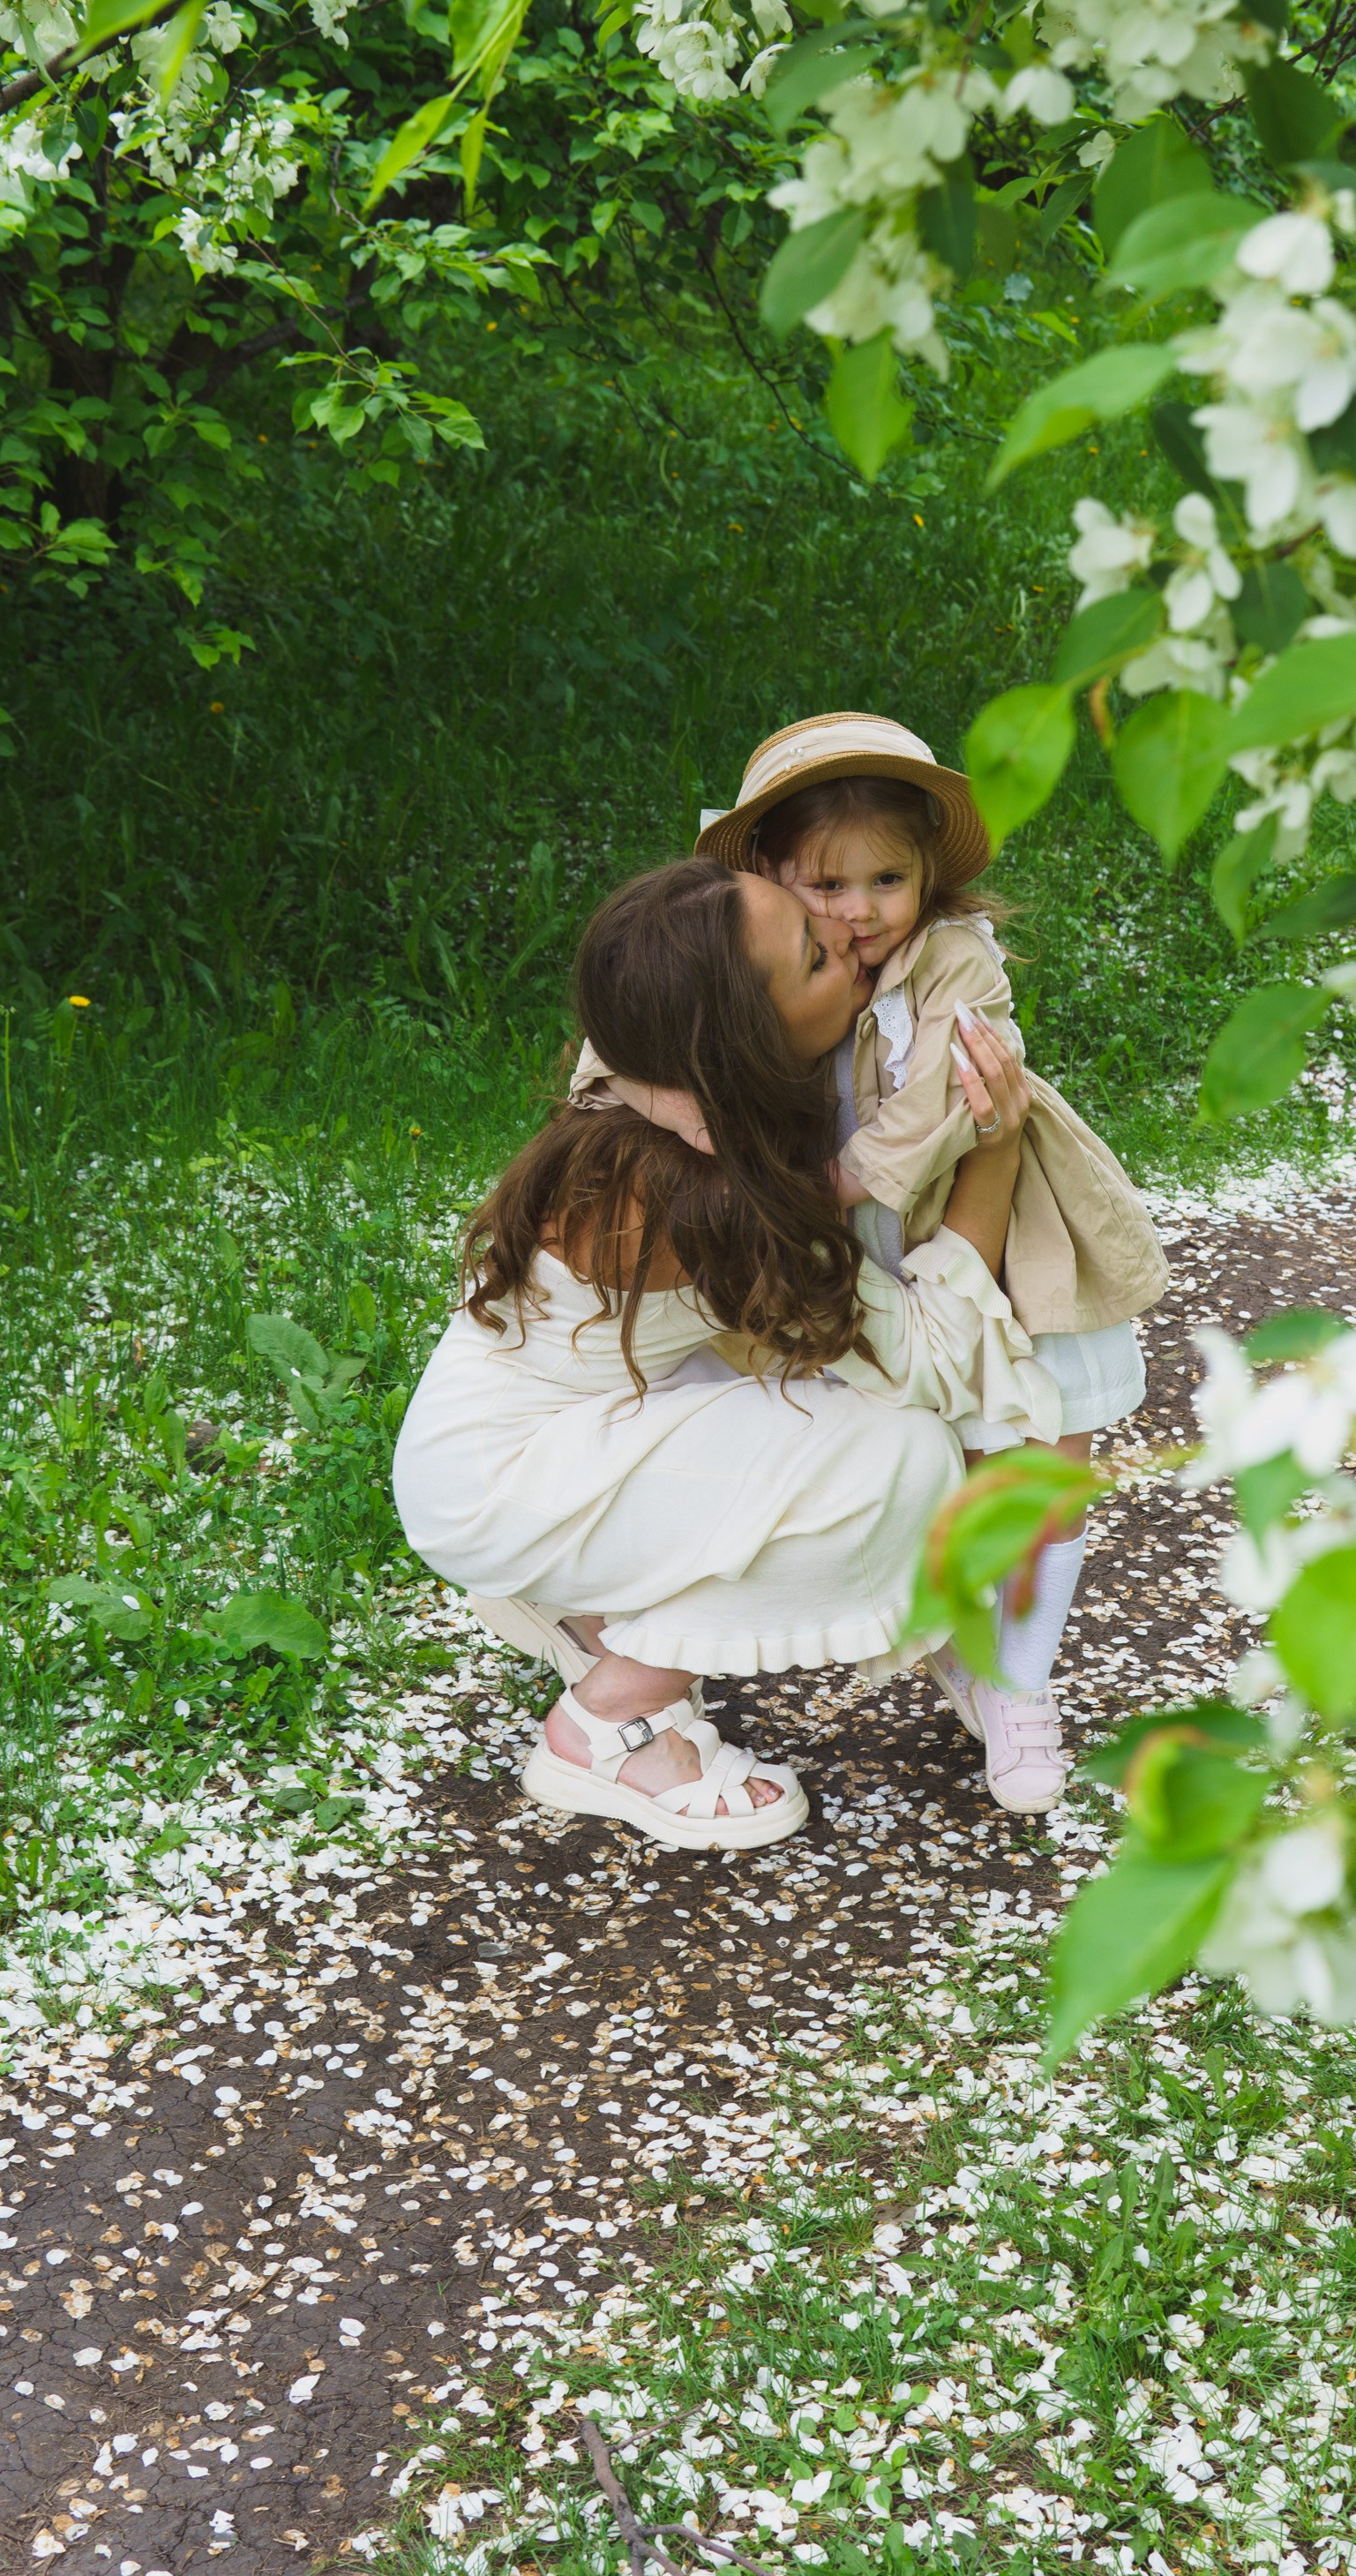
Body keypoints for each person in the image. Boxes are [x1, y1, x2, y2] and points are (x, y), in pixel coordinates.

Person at [392, 857, 1053, 1855]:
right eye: (818, 954)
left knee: (792, 1395)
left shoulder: (647, 1105)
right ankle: (608, 1724)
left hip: (527, 1437)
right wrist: (994, 1149)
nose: (854, 946)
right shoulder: (692, 1200)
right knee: (905, 1464)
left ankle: (579, 1596)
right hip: (498, 1483)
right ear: (744, 1038)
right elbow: (931, 1356)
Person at [577, 711, 1169, 1789]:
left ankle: (1019, 1674)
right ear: (762, 871)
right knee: (785, 1436)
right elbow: (637, 1031)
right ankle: (661, 1627)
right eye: (824, 887)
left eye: (886, 883)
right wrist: (648, 1101)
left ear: (926, 878)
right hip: (817, 1249)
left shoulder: (953, 962)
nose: (858, 916)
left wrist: (830, 1184)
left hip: (966, 1222)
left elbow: (949, 1092)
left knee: (1035, 1452)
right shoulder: (728, 950)